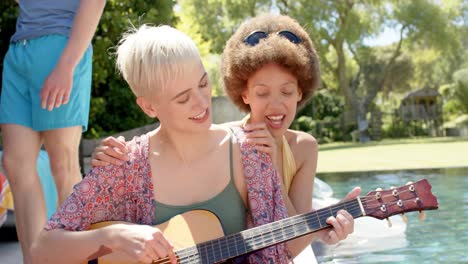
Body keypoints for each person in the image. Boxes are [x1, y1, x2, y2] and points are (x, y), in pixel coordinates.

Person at [33, 23, 357, 264]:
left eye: (203, 84)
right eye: (183, 98)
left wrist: (319, 229)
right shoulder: (124, 165)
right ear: (149, 107)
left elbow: (277, 251)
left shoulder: (249, 153)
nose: (202, 103)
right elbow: (42, 251)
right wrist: (114, 237)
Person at [0, 0, 106, 262]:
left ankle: (74, 258)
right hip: (19, 49)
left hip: (62, 45)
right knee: (15, 164)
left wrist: (67, 65)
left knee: (62, 163)